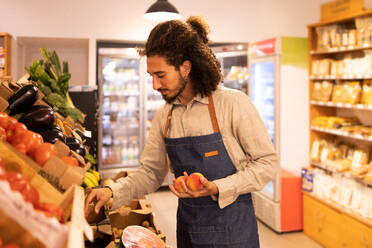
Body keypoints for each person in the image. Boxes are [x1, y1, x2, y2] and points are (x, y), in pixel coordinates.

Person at [85, 16, 279, 248]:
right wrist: (111, 191)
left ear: (185, 68)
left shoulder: (232, 104)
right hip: (189, 230)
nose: (155, 85)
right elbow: (151, 173)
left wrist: (218, 187)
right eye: (151, 76)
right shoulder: (165, 116)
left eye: (161, 75)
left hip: (234, 232)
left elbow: (267, 163)